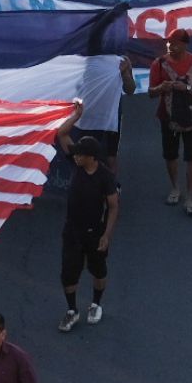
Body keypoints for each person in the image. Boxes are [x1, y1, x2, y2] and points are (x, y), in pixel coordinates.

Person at [58, 136, 120, 332]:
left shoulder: (105, 176)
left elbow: (113, 206)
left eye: (80, 154)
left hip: (95, 232)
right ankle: (72, 310)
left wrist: (106, 235)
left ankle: (95, 304)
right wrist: (76, 115)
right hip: (72, 231)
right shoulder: (76, 165)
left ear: (91, 157)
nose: (75, 156)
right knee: (68, 272)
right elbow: (62, 134)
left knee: (98, 269)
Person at [149, 27, 192, 215]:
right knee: (170, 155)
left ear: (184, 45)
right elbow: (151, 93)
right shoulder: (158, 64)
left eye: (174, 43)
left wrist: (187, 88)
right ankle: (175, 187)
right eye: (168, 42)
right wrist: (162, 87)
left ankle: (190, 197)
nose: (170, 46)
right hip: (167, 117)